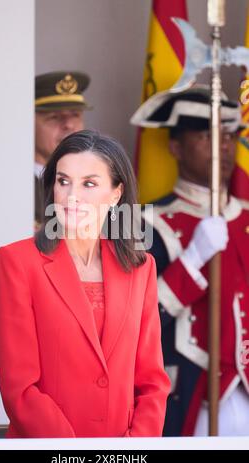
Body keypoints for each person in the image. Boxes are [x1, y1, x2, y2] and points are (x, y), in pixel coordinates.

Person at [0, 129, 170, 438]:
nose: (72, 196)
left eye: (89, 183)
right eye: (63, 181)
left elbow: (152, 381)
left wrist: (131, 449)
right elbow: (19, 388)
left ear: (116, 193)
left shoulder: (141, 268)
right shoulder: (16, 262)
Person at [131, 86, 249, 436]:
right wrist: (193, 258)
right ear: (176, 147)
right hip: (191, 396)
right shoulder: (143, 222)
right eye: (206, 136)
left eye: (228, 136)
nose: (223, 146)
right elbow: (136, 321)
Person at [34, 71, 91, 229]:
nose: (68, 125)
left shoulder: (101, 183)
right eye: (54, 117)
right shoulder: (13, 185)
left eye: (75, 115)